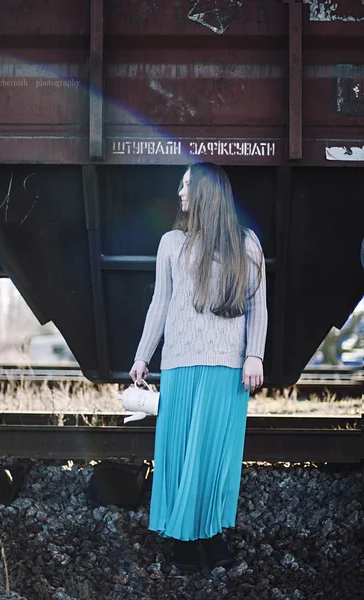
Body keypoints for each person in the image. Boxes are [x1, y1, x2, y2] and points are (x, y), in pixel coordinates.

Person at [129, 162, 268, 572]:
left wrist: (254, 354)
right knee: (179, 454)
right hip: (179, 365)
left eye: (187, 185)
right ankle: (183, 541)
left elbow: (257, 304)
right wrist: (142, 356)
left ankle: (210, 533)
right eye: (180, 185)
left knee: (214, 456)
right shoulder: (171, 242)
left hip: (227, 367)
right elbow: (160, 303)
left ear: (207, 192)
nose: (181, 193)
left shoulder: (246, 243)